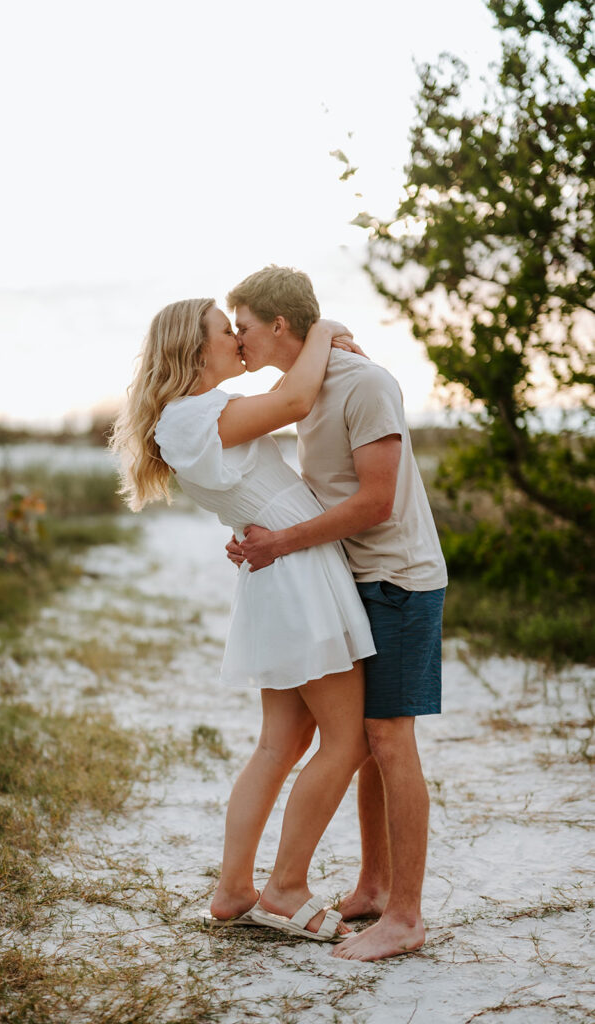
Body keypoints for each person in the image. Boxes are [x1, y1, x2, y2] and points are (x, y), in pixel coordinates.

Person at [110, 297, 376, 942]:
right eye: (224, 331)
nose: (235, 338)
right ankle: (285, 890)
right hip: (297, 576)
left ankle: (234, 887)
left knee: (280, 743)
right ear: (194, 349)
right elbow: (293, 402)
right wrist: (329, 329)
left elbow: (284, 402)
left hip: (282, 572)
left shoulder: (190, 418)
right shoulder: (195, 416)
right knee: (349, 740)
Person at [225, 265, 448, 962]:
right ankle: (374, 889)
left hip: (400, 582)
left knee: (388, 739)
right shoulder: (307, 389)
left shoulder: (365, 383)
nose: (237, 340)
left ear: (280, 325)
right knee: (370, 746)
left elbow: (377, 501)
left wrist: (282, 543)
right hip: (356, 579)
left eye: (244, 326)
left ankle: (405, 917)